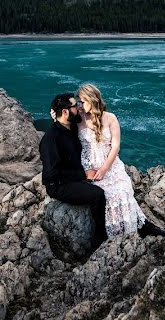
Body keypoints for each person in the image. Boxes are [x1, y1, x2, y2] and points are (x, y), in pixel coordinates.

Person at [75, 83, 165, 239]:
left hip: (110, 165)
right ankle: (112, 234)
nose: (80, 105)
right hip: (89, 167)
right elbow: (61, 127)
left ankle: (140, 227)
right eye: (78, 102)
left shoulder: (110, 117)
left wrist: (105, 168)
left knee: (122, 189)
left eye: (82, 101)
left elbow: (116, 146)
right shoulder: (78, 120)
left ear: (92, 100)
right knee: (105, 195)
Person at [39, 92, 108, 249]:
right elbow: (51, 175)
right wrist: (83, 175)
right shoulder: (51, 139)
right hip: (59, 185)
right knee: (97, 195)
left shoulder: (69, 126)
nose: (78, 108)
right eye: (75, 106)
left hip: (73, 176)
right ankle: (100, 238)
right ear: (65, 112)